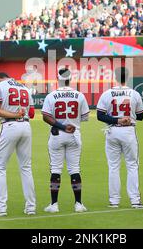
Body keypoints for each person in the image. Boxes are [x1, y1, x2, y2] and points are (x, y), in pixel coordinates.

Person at [42, 69, 90, 213]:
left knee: (56, 169)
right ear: (70, 79)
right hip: (74, 134)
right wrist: (72, 122)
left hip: (57, 134)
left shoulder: (52, 95)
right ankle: (79, 204)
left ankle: (54, 204)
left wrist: (62, 125)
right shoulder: (79, 95)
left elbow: (46, 116)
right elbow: (85, 117)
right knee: (74, 169)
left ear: (58, 79)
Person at [96, 67, 143, 208]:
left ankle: (114, 201)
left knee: (113, 167)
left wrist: (116, 120)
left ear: (115, 77)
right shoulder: (134, 93)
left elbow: (100, 115)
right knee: (132, 165)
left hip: (112, 131)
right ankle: (135, 200)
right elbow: (141, 116)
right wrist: (127, 117)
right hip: (128, 131)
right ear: (127, 77)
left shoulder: (107, 93)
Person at [0, 72, 36, 216]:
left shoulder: (0, 86)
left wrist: (14, 114)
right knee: (26, 167)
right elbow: (32, 113)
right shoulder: (24, 88)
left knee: (0, 167)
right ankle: (31, 207)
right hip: (26, 127)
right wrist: (20, 112)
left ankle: (1, 208)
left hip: (10, 126)